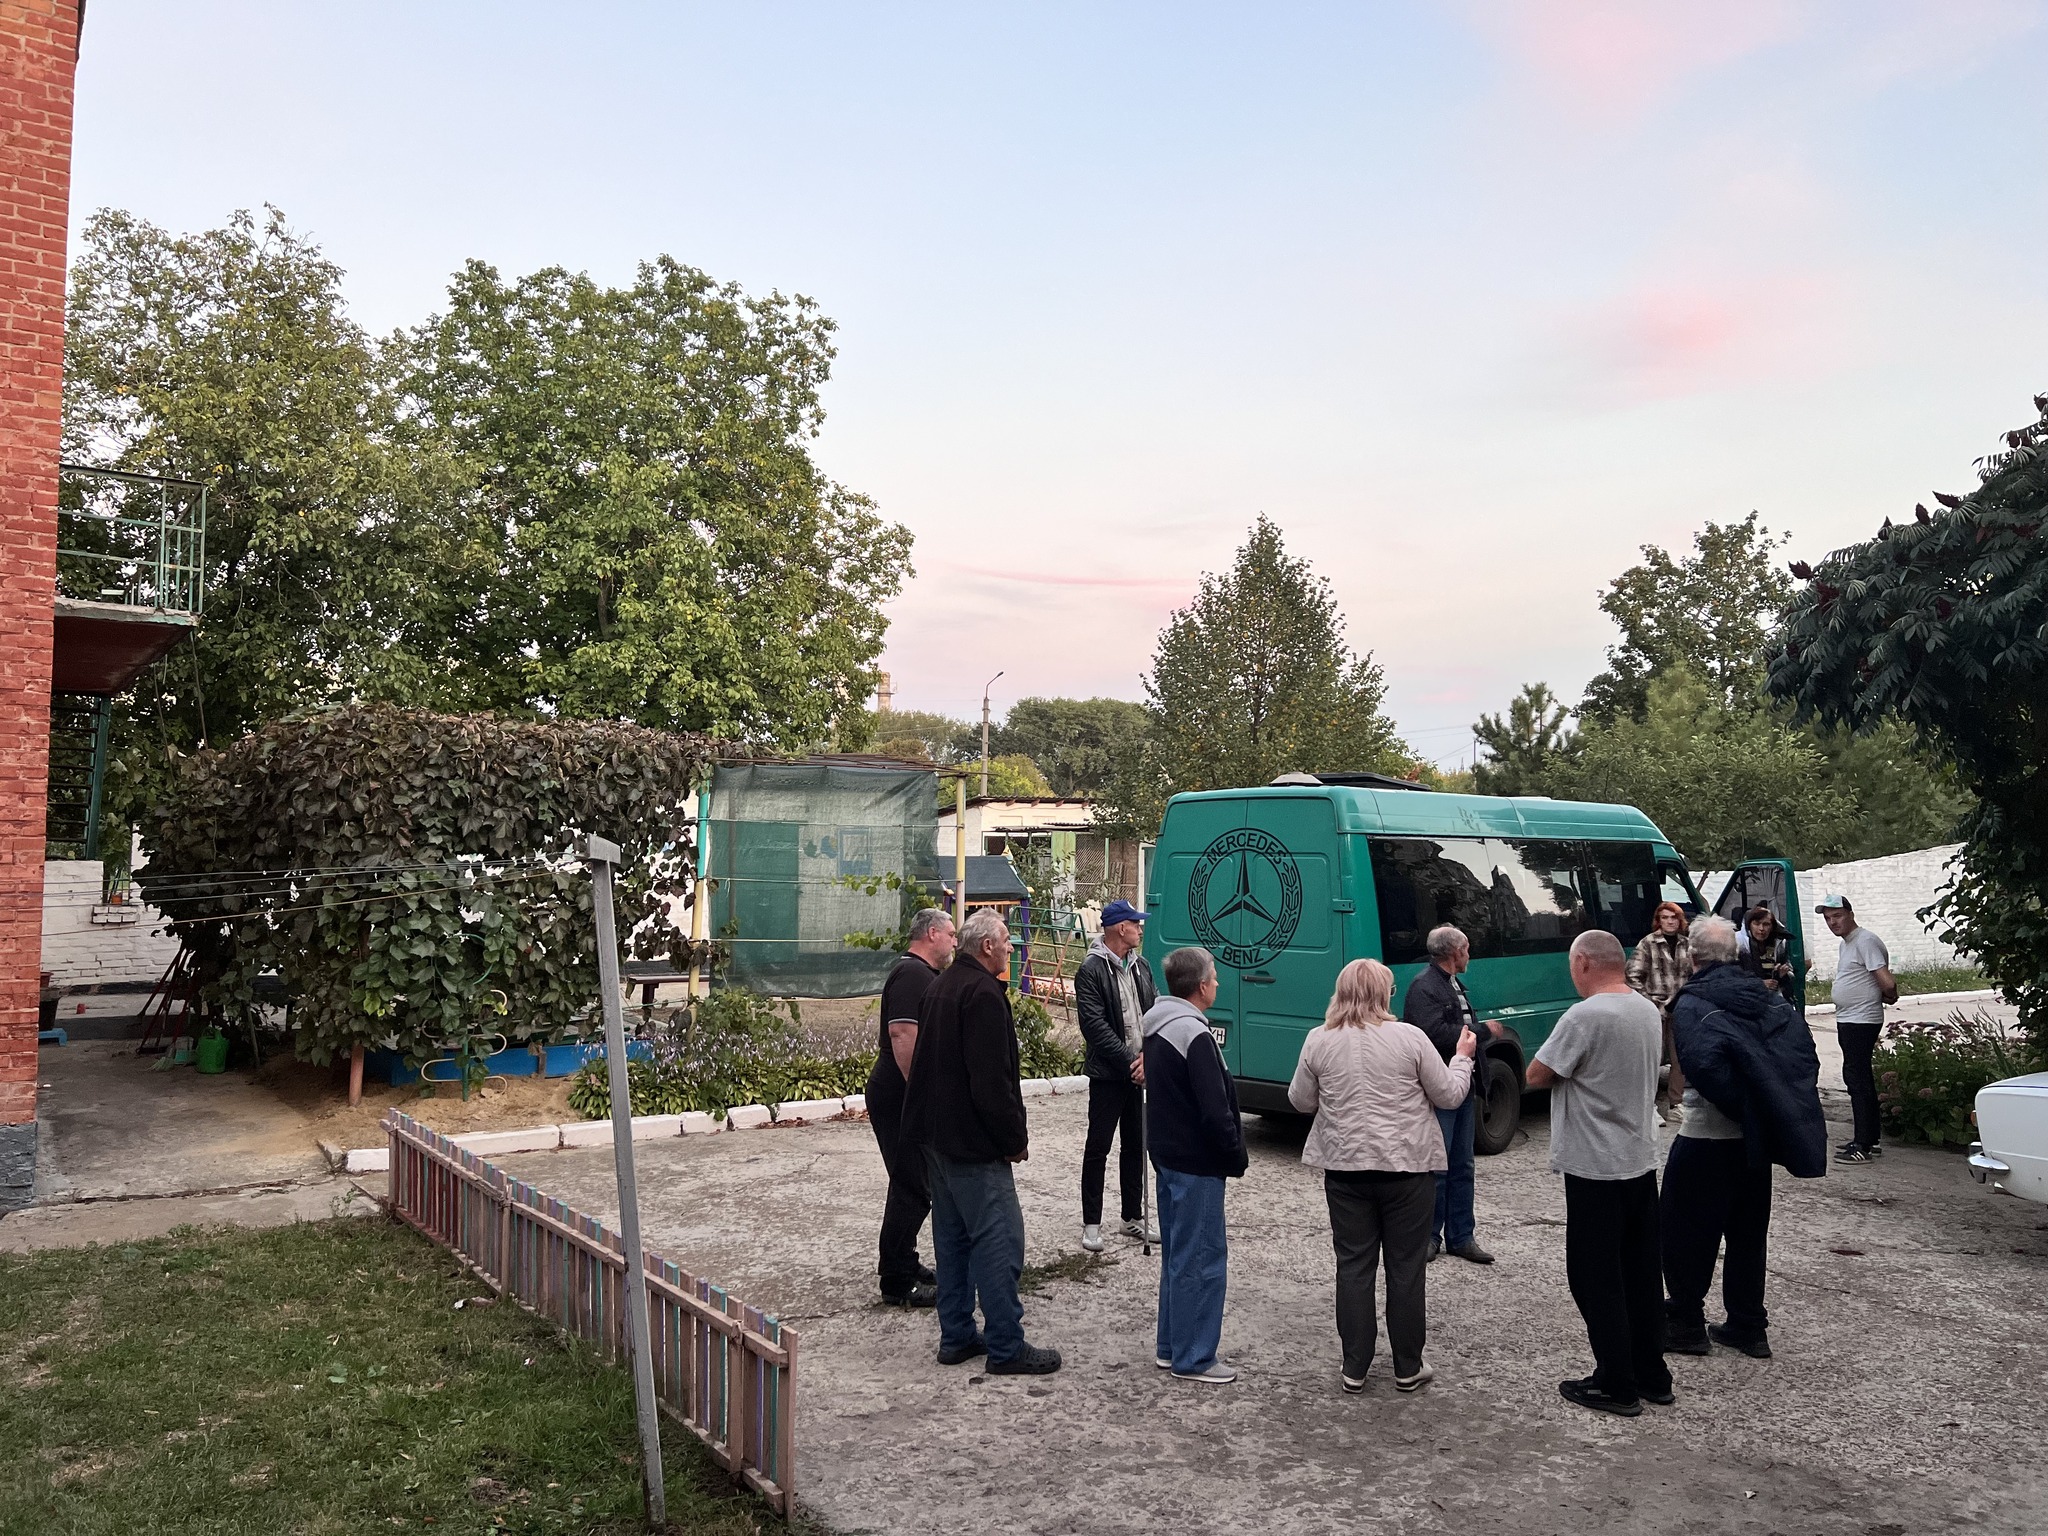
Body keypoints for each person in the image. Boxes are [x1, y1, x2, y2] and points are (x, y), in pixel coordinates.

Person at [1291, 957, 1475, 1395]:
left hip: (1346, 1168)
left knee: (1353, 1266)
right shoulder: (1409, 1037)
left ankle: (1354, 1366)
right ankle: (1407, 1365)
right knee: (1406, 1268)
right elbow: (1449, 1095)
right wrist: (1462, 1059)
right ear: (1383, 995)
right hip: (1406, 1168)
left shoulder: (1319, 1039)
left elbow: (1300, 1100)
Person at [900, 909, 1061, 1375]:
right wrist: (1014, 1139)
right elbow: (991, 1083)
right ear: (987, 946)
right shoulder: (983, 994)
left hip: (937, 1139)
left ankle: (956, 1336)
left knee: (952, 1241)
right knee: (999, 1241)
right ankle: (1006, 1346)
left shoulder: (942, 986)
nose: (1011, 947)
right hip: (973, 1145)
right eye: (1006, 940)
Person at [1662, 916, 1827, 1362]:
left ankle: (1685, 1323)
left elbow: (1705, 1068)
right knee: (1748, 1235)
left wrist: (1745, 1105)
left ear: (1692, 956)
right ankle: (1748, 1326)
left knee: (1685, 1231)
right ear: (1736, 954)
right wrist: (1766, 1109)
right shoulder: (1767, 997)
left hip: (1707, 1136)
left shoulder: (1693, 1002)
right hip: (1755, 1142)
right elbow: (1802, 1055)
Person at [1526, 929, 1671, 1417]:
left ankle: (1616, 1382)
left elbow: (1538, 1074)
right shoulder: (1646, 1009)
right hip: (1638, 1158)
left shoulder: (1585, 1015)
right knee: (1641, 1272)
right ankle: (1652, 1373)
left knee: (1594, 1276)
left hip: (1595, 1163)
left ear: (1584, 963)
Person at [1141, 946, 1248, 1383]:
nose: (1218, 982)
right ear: (1201, 986)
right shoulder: (1194, 1033)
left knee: (1178, 1256)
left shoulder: (1158, 1025)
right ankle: (1195, 1356)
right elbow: (1214, 1107)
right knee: (1201, 1259)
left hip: (1168, 1155)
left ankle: (1171, 1346)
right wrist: (1234, 1152)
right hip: (1197, 1162)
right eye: (1215, 977)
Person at [865, 907, 954, 1308]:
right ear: (932, 934)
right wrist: (921, 1096)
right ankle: (896, 1280)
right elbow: (902, 1035)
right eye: (950, 934)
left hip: (904, 1094)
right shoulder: (911, 974)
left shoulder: (922, 973)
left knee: (916, 1183)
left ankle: (906, 1261)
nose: (954, 941)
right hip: (898, 1095)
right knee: (911, 1185)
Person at [1400, 924, 1503, 1264]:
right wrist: (1482, 1031)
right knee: (1437, 1167)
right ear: (1455, 952)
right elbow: (1432, 1034)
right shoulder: (1424, 987)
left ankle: (1462, 1237)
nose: (1469, 955)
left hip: (1464, 1086)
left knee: (1463, 1165)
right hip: (1440, 1087)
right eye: (1467, 949)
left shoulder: (1452, 983)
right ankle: (1429, 1236)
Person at [1075, 898, 1159, 1251]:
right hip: (1109, 1075)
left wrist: (1149, 1056)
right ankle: (1092, 1223)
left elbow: (1154, 1011)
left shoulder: (1141, 966)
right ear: (1120, 928)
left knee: (1136, 1145)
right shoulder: (1091, 969)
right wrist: (1131, 1061)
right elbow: (1094, 1026)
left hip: (1139, 1071)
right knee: (1099, 1147)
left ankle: (1131, 1217)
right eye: (1135, 923)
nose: (1140, 928)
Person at [1815, 894, 1897, 1165]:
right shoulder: (1848, 944)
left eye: (1837, 916)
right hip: (1850, 1018)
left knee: (1857, 1079)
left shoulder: (1865, 941)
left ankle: (1862, 1145)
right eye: (1828, 918)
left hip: (1861, 1020)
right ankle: (1869, 1137)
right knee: (1858, 1078)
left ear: (1850, 914)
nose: (1832, 922)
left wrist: (1890, 995)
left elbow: (1887, 982)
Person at [1627, 901, 1693, 1108]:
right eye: (1665, 918)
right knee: (1652, 1059)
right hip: (1655, 1010)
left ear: (1680, 920)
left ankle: (1676, 1105)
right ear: (1659, 921)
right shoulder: (1647, 943)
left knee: (1680, 1059)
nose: (1670, 922)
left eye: (1673, 918)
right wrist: (1649, 1002)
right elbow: (1632, 976)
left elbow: (1695, 975)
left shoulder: (1687, 944)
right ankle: (1649, 1107)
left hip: (1681, 1009)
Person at [1735, 906, 1794, 993]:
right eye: (1756, 924)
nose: (1761, 928)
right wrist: (1758, 984)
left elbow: (1787, 979)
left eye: (1766, 924)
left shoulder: (1779, 944)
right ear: (1749, 925)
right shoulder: (1737, 943)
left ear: (1772, 927)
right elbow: (1731, 977)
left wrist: (1780, 975)